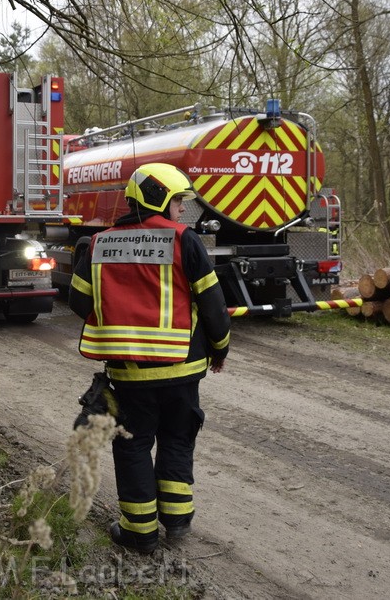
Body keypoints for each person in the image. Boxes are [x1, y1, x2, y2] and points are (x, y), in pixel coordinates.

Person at [68, 162, 231, 554]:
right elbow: (213, 305)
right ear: (159, 199)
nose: (180, 211)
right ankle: (176, 523)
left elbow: (77, 301)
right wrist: (219, 348)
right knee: (177, 438)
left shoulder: (97, 244)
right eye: (177, 202)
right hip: (183, 368)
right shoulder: (184, 240)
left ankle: (139, 533)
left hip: (129, 373)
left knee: (133, 445)